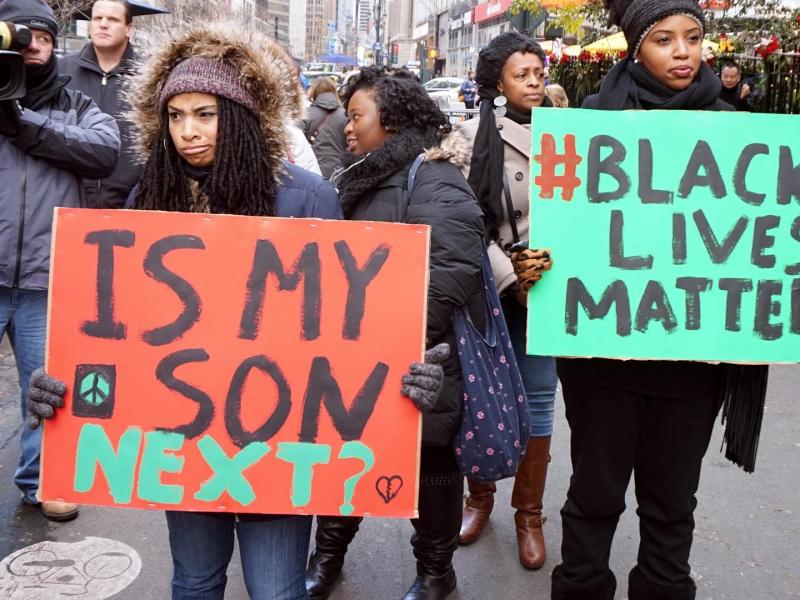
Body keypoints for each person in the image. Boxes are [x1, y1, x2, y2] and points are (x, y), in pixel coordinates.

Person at [552, 2, 768, 599]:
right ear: (634, 47)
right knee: (594, 499)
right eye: (664, 39)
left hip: (692, 368)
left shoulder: (736, 127)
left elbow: (757, 235)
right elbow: (560, 227)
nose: (683, 51)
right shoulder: (593, 122)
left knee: (672, 508)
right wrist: (537, 257)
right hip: (603, 361)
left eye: (693, 37)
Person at [304, 67, 486, 600]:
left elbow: (451, 271)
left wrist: (383, 332)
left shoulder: (434, 178)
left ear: (395, 119)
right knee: (349, 455)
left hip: (423, 360)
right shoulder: (361, 175)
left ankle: (435, 571)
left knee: (432, 466)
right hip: (356, 355)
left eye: (357, 116)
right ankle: (329, 555)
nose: (349, 127)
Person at [0, 0, 120, 522]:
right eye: (20, 41)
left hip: (48, 274)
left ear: (54, 44)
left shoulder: (75, 103)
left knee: (47, 388)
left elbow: (104, 150)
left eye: (41, 41)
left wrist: (21, 124)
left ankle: (42, 480)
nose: (31, 51)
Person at [456, 31, 558, 572]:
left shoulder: (571, 136)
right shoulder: (470, 137)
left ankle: (529, 515)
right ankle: (478, 500)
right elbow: (462, 222)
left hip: (550, 290)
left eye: (540, 71)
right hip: (492, 289)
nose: (536, 81)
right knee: (484, 396)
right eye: (523, 74)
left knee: (540, 400)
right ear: (498, 81)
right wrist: (507, 273)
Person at [60, 0, 140, 209]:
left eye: (112, 19)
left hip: (132, 204)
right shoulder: (61, 69)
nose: (103, 24)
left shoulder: (149, 74)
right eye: (97, 18)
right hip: (70, 201)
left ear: (129, 29)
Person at [301, 76, 347, 178]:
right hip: (340, 171)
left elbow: (296, 144)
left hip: (313, 172)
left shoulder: (305, 114)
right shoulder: (345, 115)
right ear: (334, 91)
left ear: (314, 91)